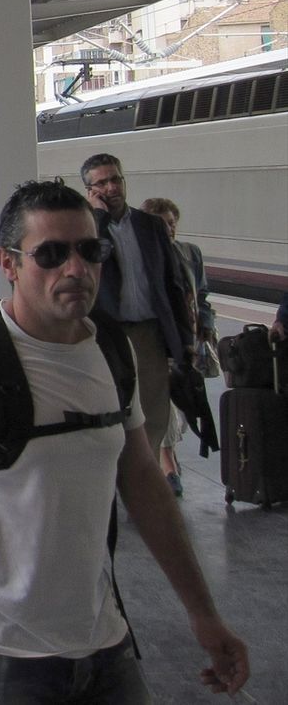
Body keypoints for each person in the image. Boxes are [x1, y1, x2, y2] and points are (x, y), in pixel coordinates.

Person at [0, 179, 249, 703]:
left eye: (89, 251)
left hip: (102, 639)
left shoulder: (112, 351)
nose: (75, 269)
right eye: (50, 254)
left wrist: (203, 613)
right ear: (8, 263)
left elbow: (143, 482)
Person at [83, 154, 193, 460]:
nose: (111, 187)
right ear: (90, 191)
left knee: (153, 412)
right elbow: (92, 259)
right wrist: (99, 218)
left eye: (115, 179)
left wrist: (184, 340)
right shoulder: (87, 229)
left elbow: (173, 285)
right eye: (101, 182)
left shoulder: (151, 226)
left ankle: (148, 470)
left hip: (148, 333)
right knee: (110, 407)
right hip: (107, 335)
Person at [143, 196, 214, 498]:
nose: (169, 230)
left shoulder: (190, 253)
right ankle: (168, 465)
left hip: (189, 340)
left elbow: (202, 292)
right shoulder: (143, 258)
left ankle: (164, 456)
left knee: (184, 399)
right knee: (164, 401)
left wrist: (206, 326)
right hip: (158, 340)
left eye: (172, 224)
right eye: (162, 225)